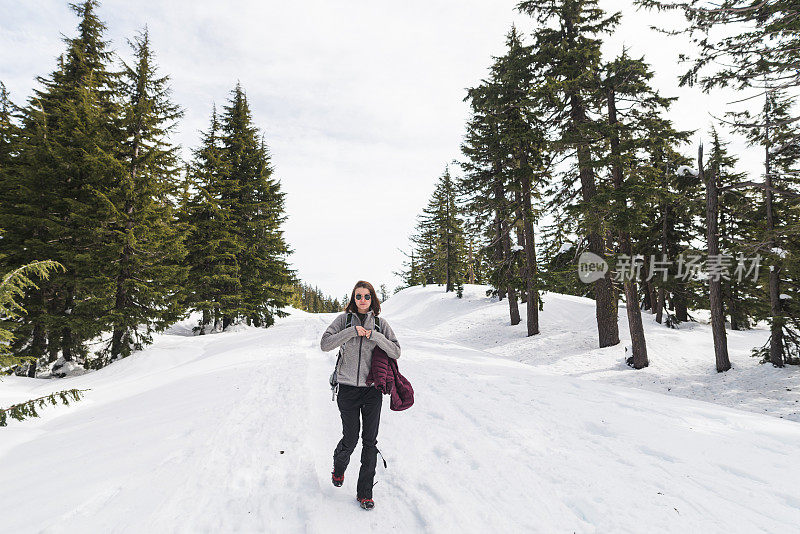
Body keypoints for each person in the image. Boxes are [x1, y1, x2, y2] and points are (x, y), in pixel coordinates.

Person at [319, 280, 401, 510]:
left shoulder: (381, 324)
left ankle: (365, 493)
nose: (362, 300)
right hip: (346, 388)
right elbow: (325, 344)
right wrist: (351, 332)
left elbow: (396, 351)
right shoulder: (343, 320)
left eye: (366, 296)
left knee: (369, 441)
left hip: (373, 390)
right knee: (350, 438)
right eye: (358, 296)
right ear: (353, 299)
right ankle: (339, 468)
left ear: (372, 299)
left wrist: (375, 336)